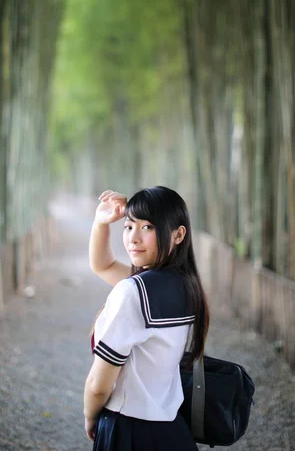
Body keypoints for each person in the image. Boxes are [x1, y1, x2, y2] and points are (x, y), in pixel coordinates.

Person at [83, 186, 210, 451]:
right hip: (172, 429)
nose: (134, 238)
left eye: (148, 227)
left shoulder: (135, 292)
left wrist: (90, 416)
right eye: (129, 227)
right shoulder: (187, 286)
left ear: (178, 235)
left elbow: (99, 384)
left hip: (128, 430)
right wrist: (101, 222)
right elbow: (103, 265)